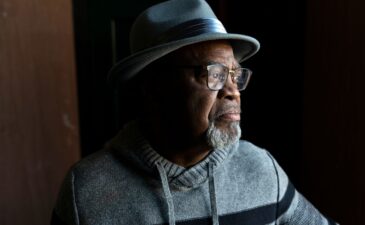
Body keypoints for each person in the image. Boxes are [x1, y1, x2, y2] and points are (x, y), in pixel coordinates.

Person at [52, 0, 338, 224]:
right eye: (213, 73)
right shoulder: (88, 190)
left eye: (234, 74)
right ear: (154, 86)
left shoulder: (261, 169)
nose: (232, 90)